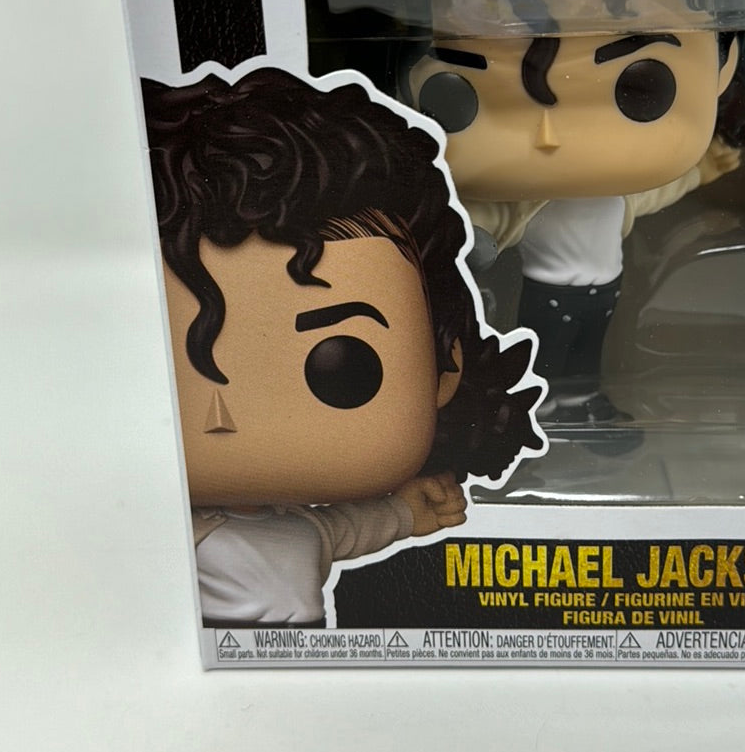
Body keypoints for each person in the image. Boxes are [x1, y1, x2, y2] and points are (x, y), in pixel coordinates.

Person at [143, 68, 543, 627]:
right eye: (164, 374)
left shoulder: (295, 527)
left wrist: (405, 514)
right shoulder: (163, 539)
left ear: (444, 364)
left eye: (341, 367)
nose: (220, 414)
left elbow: (339, 530)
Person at [409, 0, 745, 430]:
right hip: (547, 289)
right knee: (542, 351)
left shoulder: (616, 190)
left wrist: (704, 166)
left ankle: (581, 400)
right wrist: (465, 239)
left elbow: (647, 196)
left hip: (606, 282)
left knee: (588, 347)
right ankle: (539, 407)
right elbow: (492, 219)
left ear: (724, 66)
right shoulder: (531, 196)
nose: (550, 137)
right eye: (459, 98)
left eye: (640, 89)